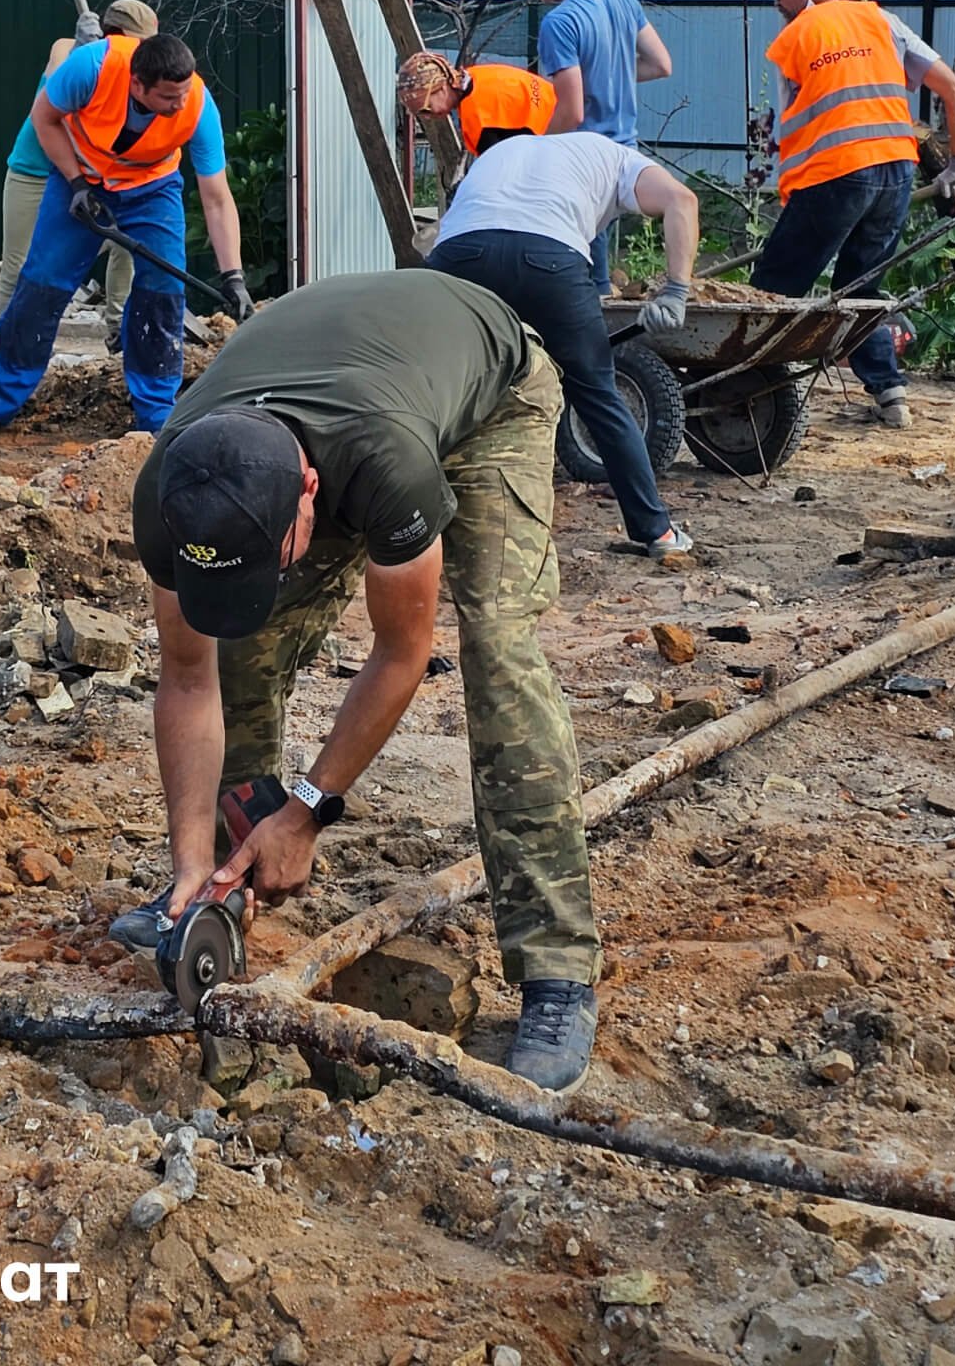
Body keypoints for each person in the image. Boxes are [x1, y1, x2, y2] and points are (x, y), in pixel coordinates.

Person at [116, 269, 604, 1096]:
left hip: (490, 391)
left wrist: (311, 810)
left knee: (499, 655)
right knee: (236, 646)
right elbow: (187, 678)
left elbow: (401, 653)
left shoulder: (384, 464)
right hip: (356, 386)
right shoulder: (175, 489)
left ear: (310, 495)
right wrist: (187, 858)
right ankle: (224, 881)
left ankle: (557, 970)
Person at [0, 31, 253, 440]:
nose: (179, 104)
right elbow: (44, 119)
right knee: (42, 285)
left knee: (162, 294)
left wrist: (232, 276)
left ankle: (155, 415)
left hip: (153, 188)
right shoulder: (92, 69)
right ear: (138, 85)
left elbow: (216, 199)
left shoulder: (198, 106)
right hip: (81, 179)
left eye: (183, 93)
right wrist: (76, 183)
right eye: (168, 97)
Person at [426, 133, 698, 560]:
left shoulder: (498, 153)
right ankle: (657, 532)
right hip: (548, 257)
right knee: (598, 397)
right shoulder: (619, 159)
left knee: (436, 392)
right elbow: (681, 201)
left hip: (459, 254)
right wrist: (676, 290)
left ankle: (409, 523)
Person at [749, 0, 955, 430]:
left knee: (774, 288)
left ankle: (746, 392)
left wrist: (793, 196)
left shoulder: (798, 37)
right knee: (861, 287)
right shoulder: (882, 22)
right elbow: (953, 89)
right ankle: (891, 394)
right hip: (895, 171)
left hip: (834, 175)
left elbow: (790, 130)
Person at [501, 0, 674, 294]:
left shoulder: (559, 23)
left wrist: (534, 153)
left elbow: (572, 111)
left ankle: (598, 351)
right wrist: (608, 76)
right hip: (623, 156)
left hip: (584, 165)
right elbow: (661, 64)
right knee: (595, 271)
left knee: (581, 280)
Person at [0, 0, 160, 351]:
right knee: (20, 269)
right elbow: (47, 108)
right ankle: (8, 352)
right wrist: (81, 57)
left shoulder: (141, 74)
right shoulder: (67, 50)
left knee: (130, 245)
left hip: (94, 176)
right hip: (36, 172)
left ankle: (118, 328)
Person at [396, 51, 556, 158]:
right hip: (568, 115)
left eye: (426, 108)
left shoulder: (477, 119)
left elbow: (498, 172)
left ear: (440, 87)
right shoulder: (479, 74)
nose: (428, 117)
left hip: (559, 146)